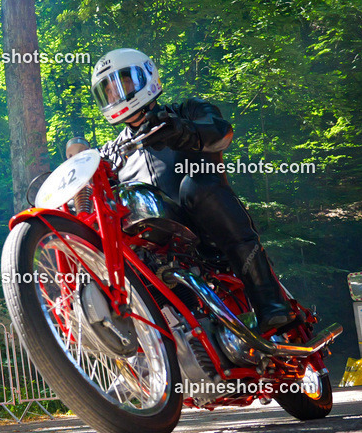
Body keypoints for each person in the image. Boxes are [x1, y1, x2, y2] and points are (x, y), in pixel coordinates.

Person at [90, 48, 299, 335]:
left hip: (207, 234)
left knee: (198, 185)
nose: (116, 95)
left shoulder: (187, 111)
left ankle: (270, 301)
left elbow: (220, 133)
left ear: (145, 77)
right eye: (109, 91)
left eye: (122, 84)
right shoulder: (113, 152)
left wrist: (180, 130)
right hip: (159, 247)